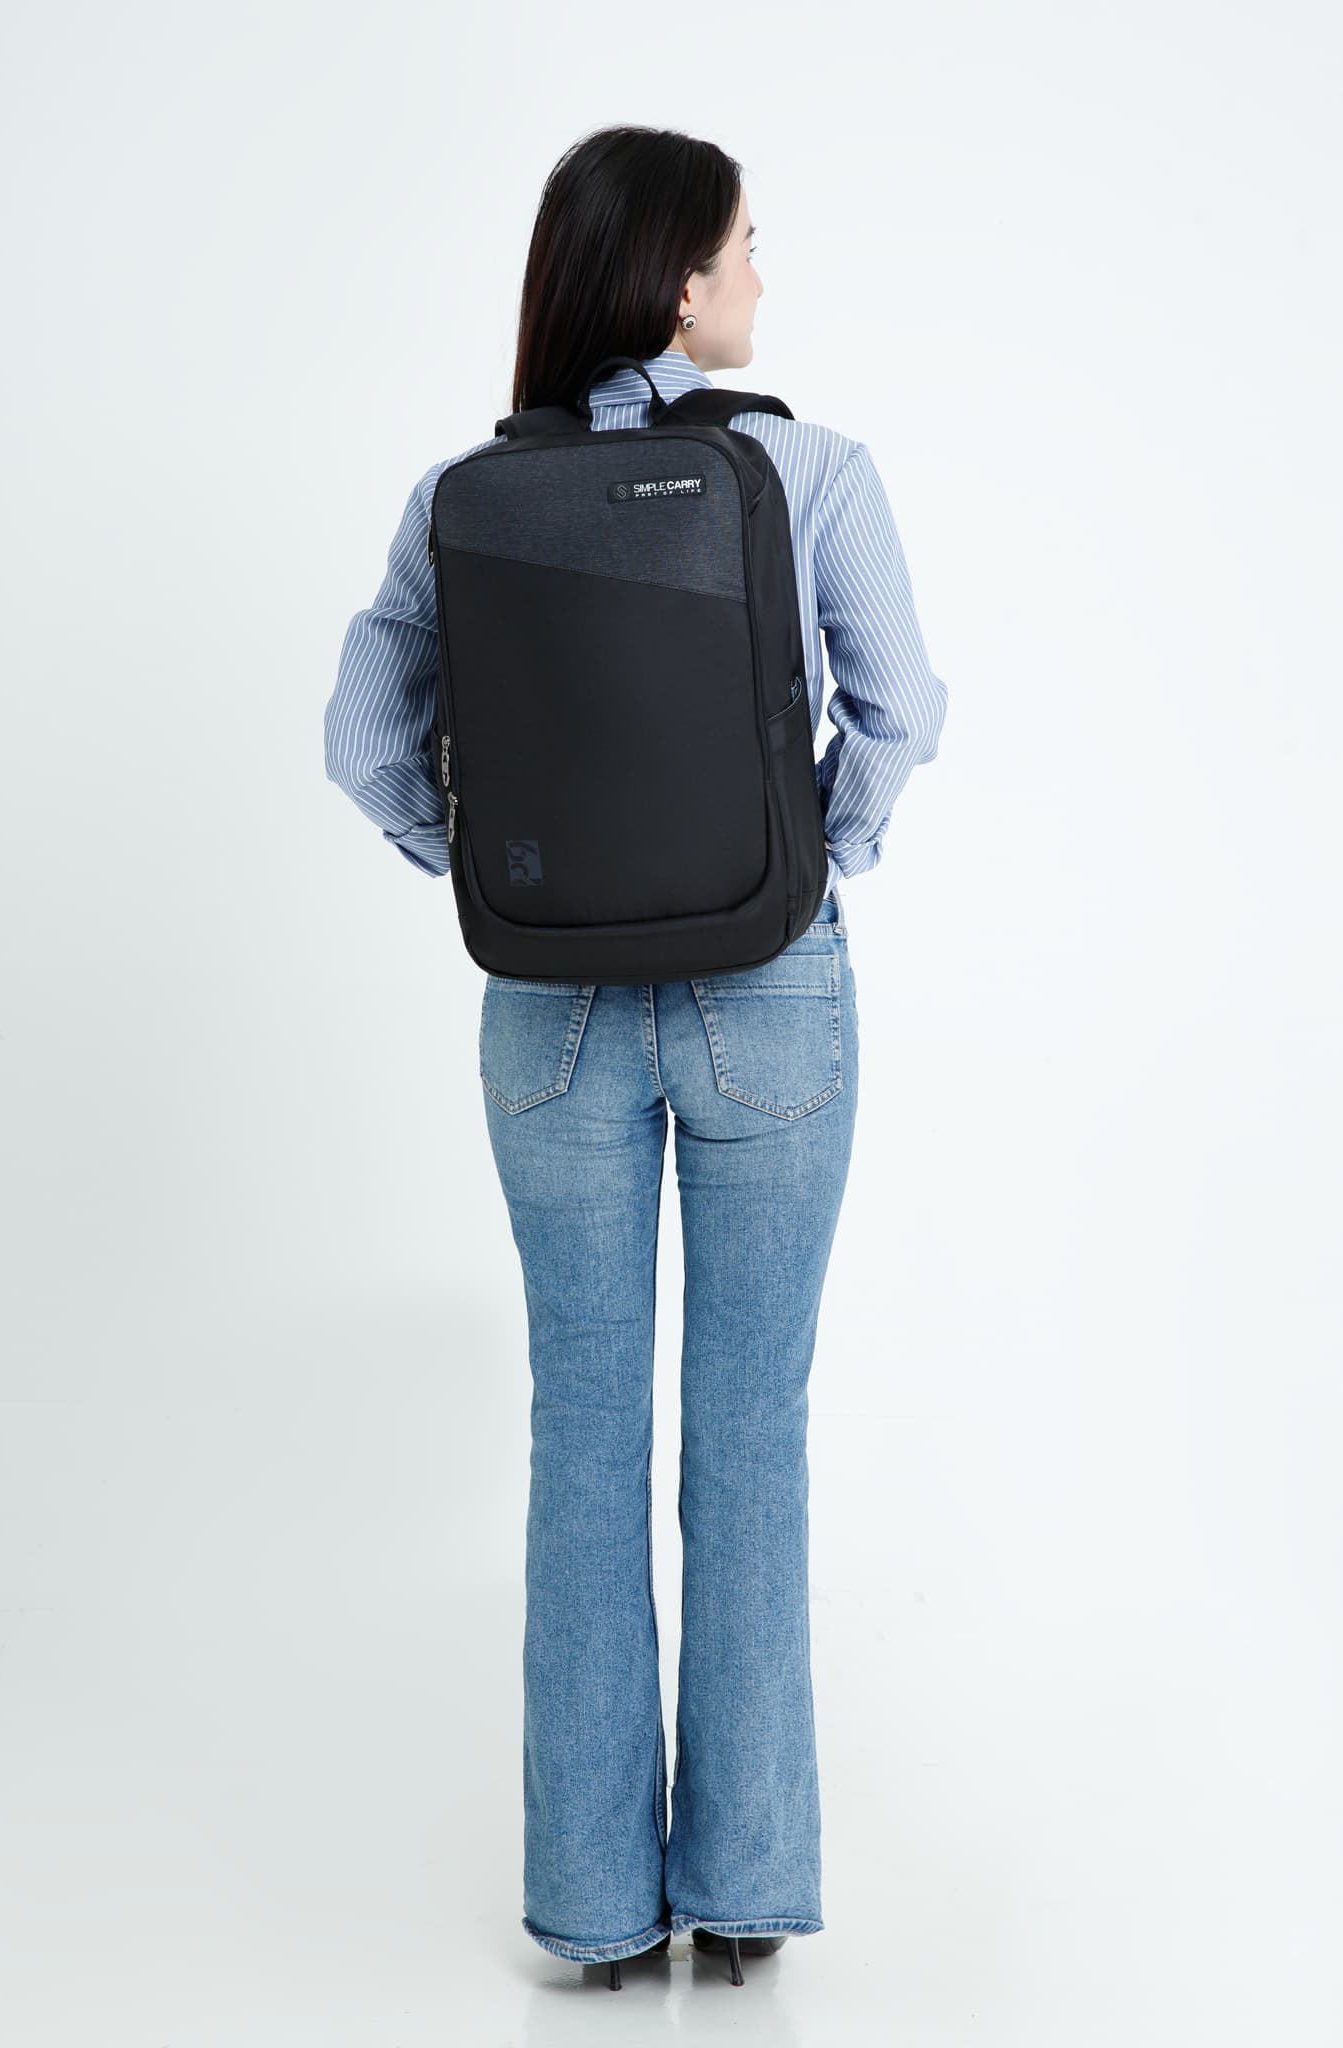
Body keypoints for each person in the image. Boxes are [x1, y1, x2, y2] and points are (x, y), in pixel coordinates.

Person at [324, 124, 949, 1989]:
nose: (760, 275)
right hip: (771, 998)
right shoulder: (810, 470)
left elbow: (362, 738)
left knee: (579, 1431)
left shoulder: (464, 490)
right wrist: (805, 865)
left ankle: (595, 1913)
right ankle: (744, 1892)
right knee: (749, 1431)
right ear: (680, 281)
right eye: (745, 245)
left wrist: (475, 866)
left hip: (549, 1017)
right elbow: (901, 709)